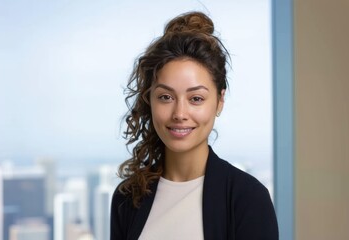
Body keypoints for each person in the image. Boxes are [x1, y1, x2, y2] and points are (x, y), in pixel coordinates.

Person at [110, 11, 278, 240]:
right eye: (166, 97)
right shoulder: (128, 197)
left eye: (196, 99)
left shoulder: (247, 198)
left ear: (219, 101)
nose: (179, 113)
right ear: (149, 100)